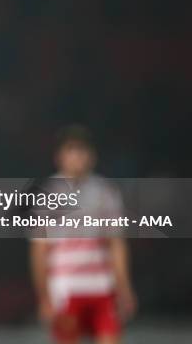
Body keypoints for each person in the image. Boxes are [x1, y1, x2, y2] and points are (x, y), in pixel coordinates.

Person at [30, 126, 136, 344]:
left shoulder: (106, 192)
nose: (78, 156)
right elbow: (39, 250)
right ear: (59, 156)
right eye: (72, 149)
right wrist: (44, 298)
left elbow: (116, 244)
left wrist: (124, 288)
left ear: (92, 155)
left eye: (82, 150)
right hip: (66, 288)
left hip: (102, 286)